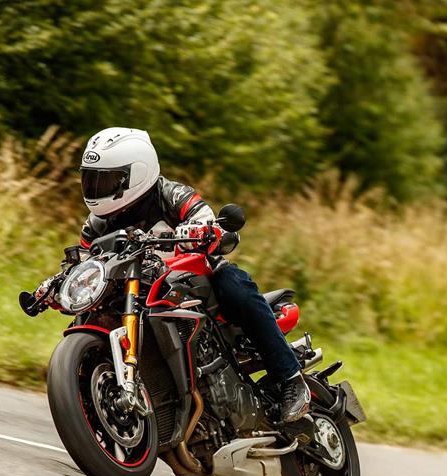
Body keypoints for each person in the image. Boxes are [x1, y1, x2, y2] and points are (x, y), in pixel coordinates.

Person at [77, 126, 310, 423]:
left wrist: (203, 230)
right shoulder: (97, 222)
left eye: (107, 179)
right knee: (87, 311)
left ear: (135, 175)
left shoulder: (169, 194)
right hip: (139, 294)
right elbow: (86, 261)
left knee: (233, 285)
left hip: (192, 280)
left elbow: (204, 216)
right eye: (92, 179)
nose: (97, 188)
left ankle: (291, 379)